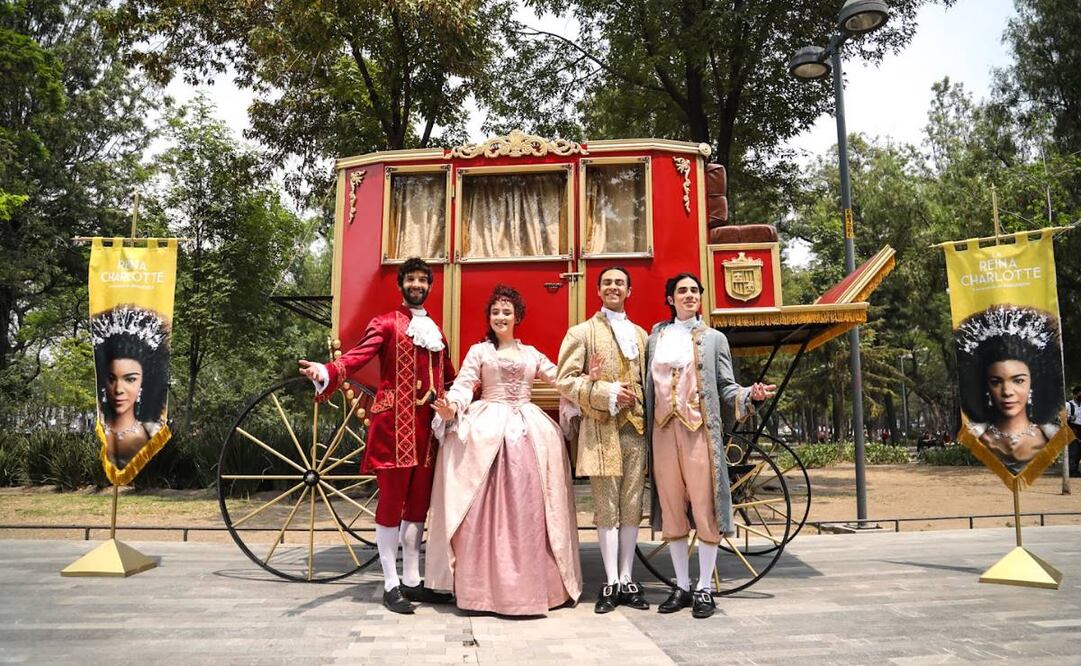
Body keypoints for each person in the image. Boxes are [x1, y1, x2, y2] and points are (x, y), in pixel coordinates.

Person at [298, 257, 454, 614]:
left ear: (429, 286)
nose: (416, 285)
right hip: (394, 427)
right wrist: (327, 369)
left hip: (427, 430)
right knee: (391, 505)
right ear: (400, 285)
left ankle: (412, 580)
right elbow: (358, 357)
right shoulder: (385, 323)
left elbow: (448, 376)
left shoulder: (436, 332)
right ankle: (390, 583)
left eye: (422, 280)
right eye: (410, 279)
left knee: (417, 506)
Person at [426, 285, 582, 616]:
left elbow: (560, 380)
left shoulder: (532, 355)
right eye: (496, 311)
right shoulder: (479, 352)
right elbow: (465, 384)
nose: (501, 316)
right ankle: (481, 590)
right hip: (489, 428)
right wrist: (452, 408)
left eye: (507, 312)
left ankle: (534, 588)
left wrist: (587, 380)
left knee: (530, 506)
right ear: (490, 317)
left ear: (517, 317)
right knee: (481, 506)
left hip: (528, 429)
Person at [644, 273, 774, 619]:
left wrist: (750, 395)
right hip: (661, 431)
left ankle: (704, 588)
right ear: (670, 298)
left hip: (698, 429)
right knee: (671, 508)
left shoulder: (714, 339)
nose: (689, 295)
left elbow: (727, 387)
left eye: (694, 291)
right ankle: (682, 586)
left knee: (705, 506)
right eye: (681, 291)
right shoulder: (654, 338)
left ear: (700, 297)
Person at [556, 266, 650, 614]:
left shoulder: (641, 335)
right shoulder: (581, 333)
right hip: (601, 430)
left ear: (629, 290)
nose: (613, 287)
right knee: (606, 507)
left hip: (636, 430)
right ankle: (610, 580)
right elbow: (565, 381)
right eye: (607, 282)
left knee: (632, 505)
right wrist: (605, 390)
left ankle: (627, 578)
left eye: (620, 283)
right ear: (597, 290)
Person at [955, 305, 1062, 473]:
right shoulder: (976, 438)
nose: (1007, 392)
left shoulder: (1054, 436)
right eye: (996, 382)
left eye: (1018, 381)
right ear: (986, 388)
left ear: (1032, 384)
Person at [91, 305, 170, 470]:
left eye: (130, 379)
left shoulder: (153, 434)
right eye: (112, 379)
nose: (119, 389)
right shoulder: (97, 433)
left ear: (143, 383)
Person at [1066, 386, 1081, 477]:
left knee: (1079, 451)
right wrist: (1070, 417)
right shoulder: (1068, 404)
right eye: (1079, 394)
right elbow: (1060, 417)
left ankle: (1075, 469)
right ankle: (1071, 470)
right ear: (1074, 394)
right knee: (1073, 450)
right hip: (1072, 429)